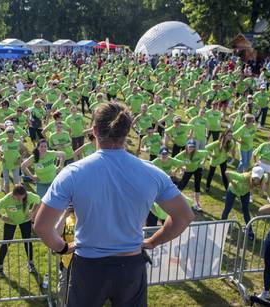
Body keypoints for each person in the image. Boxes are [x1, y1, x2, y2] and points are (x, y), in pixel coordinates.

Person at [33, 102, 194, 307]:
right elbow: (184, 216)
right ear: (127, 132)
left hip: (88, 266)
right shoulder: (152, 172)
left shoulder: (72, 173)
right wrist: (153, 241)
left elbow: (42, 226)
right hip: (130, 265)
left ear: (94, 131)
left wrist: (63, 247)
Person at [0, 184, 40, 277]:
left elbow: (39, 200)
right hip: (11, 222)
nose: (20, 200)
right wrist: (2, 217)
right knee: (6, 243)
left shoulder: (29, 195)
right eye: (17, 199)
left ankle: (30, 263)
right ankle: (0, 267)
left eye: (22, 198)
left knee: (27, 241)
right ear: (12, 195)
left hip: (25, 220)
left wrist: (33, 212)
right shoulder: (6, 199)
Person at [221, 166, 269, 240]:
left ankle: (250, 232)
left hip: (244, 192)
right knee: (227, 209)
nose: (255, 180)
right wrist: (233, 183)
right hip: (233, 190)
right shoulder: (243, 177)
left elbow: (262, 193)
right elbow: (226, 173)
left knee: (246, 210)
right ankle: (222, 228)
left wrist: (262, 185)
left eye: (258, 178)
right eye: (254, 177)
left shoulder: (264, 177)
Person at [176, 140, 209, 211]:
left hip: (197, 169)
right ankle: (175, 200)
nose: (191, 148)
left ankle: (197, 204)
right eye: (190, 146)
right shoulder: (183, 154)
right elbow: (175, 160)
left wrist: (203, 162)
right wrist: (182, 167)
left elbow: (207, 153)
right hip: (188, 170)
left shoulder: (198, 153)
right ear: (186, 146)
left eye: (193, 147)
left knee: (197, 186)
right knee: (182, 185)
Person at [55, 205, 76, 307]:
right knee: (63, 291)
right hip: (67, 264)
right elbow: (55, 234)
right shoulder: (66, 220)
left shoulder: (88, 218)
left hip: (85, 264)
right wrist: (64, 216)